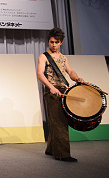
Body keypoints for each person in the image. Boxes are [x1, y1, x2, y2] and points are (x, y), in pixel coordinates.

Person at [37, 28, 84, 162]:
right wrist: (51, 87)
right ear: (48, 42)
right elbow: (40, 74)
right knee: (59, 121)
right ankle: (63, 154)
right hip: (51, 90)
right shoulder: (44, 56)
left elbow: (70, 71)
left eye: (56, 42)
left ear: (61, 42)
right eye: (51, 42)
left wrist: (77, 78)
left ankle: (51, 149)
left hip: (63, 90)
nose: (54, 45)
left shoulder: (64, 57)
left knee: (56, 120)